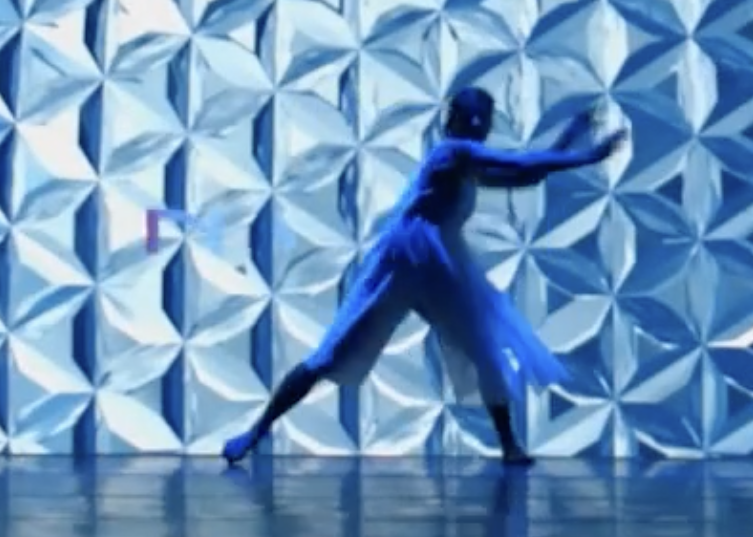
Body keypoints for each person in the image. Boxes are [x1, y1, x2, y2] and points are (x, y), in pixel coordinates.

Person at [223, 88, 628, 466]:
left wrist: (572, 134)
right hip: (402, 262)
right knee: (330, 354)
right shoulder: (450, 152)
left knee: (484, 349)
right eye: (480, 117)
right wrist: (587, 156)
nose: (484, 125)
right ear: (464, 119)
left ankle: (509, 445)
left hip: (436, 265)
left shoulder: (468, 163)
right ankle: (257, 430)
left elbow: (527, 173)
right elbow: (521, 164)